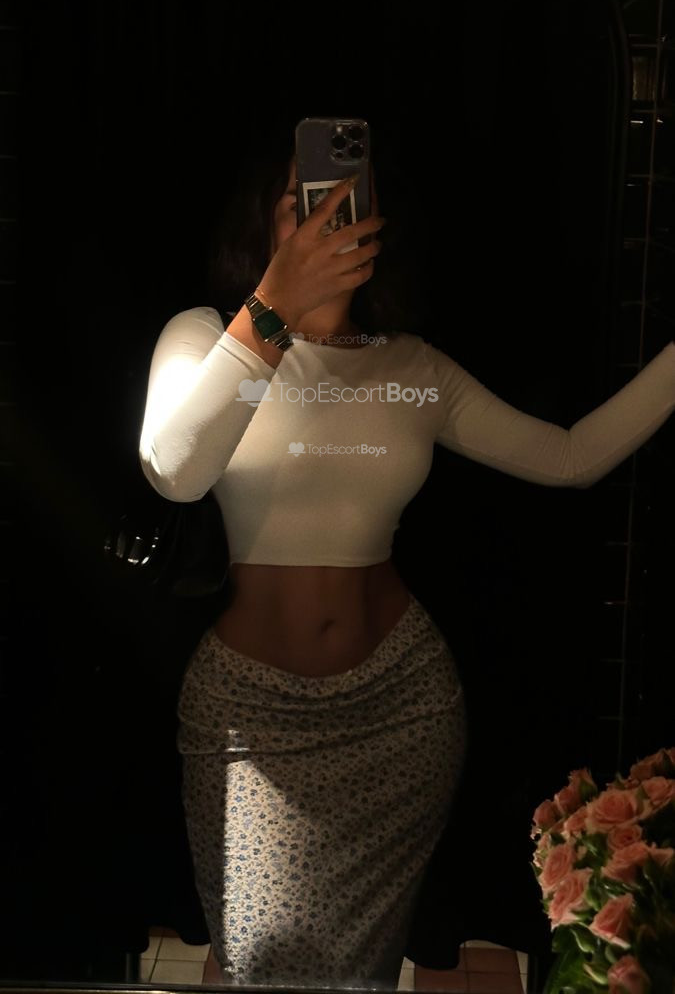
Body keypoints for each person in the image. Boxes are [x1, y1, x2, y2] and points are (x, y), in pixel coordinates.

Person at [138, 134, 675, 990]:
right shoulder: (207, 339)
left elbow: (570, 457)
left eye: (350, 202)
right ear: (262, 223)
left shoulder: (411, 369)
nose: (330, 220)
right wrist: (273, 309)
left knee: (361, 968)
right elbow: (175, 470)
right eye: (304, 203)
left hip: (403, 707)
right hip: (248, 719)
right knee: (260, 964)